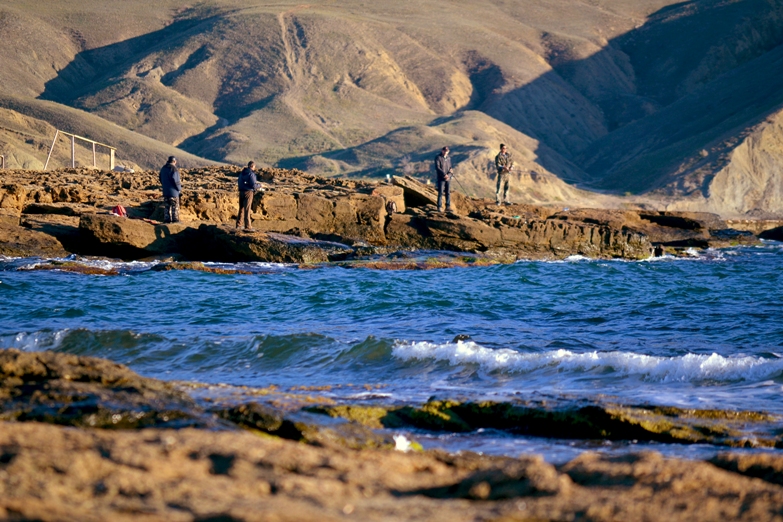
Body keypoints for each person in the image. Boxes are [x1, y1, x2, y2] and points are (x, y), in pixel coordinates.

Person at [236, 161, 261, 230]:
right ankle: (248, 226)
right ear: (252, 166)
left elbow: (239, 182)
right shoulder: (251, 174)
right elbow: (253, 185)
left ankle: (239, 225)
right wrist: (260, 185)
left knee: (241, 208)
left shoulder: (242, 173)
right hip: (248, 192)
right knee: (247, 209)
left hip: (241, 191)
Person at [159, 156, 181, 223]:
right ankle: (175, 220)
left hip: (165, 191)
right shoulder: (173, 169)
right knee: (175, 206)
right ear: (174, 161)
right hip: (173, 192)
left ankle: (167, 219)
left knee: (167, 206)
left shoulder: (163, 168)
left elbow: (160, 178)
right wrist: (179, 189)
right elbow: (176, 180)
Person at [434, 146, 453, 212]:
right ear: (442, 150)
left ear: (448, 151)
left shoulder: (448, 158)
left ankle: (447, 207)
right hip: (441, 178)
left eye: (446, 151)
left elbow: (450, 168)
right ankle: (439, 207)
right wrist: (444, 175)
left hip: (448, 178)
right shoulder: (438, 157)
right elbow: (438, 168)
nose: (445, 152)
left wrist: (449, 175)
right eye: (444, 151)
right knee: (440, 192)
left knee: (447, 192)